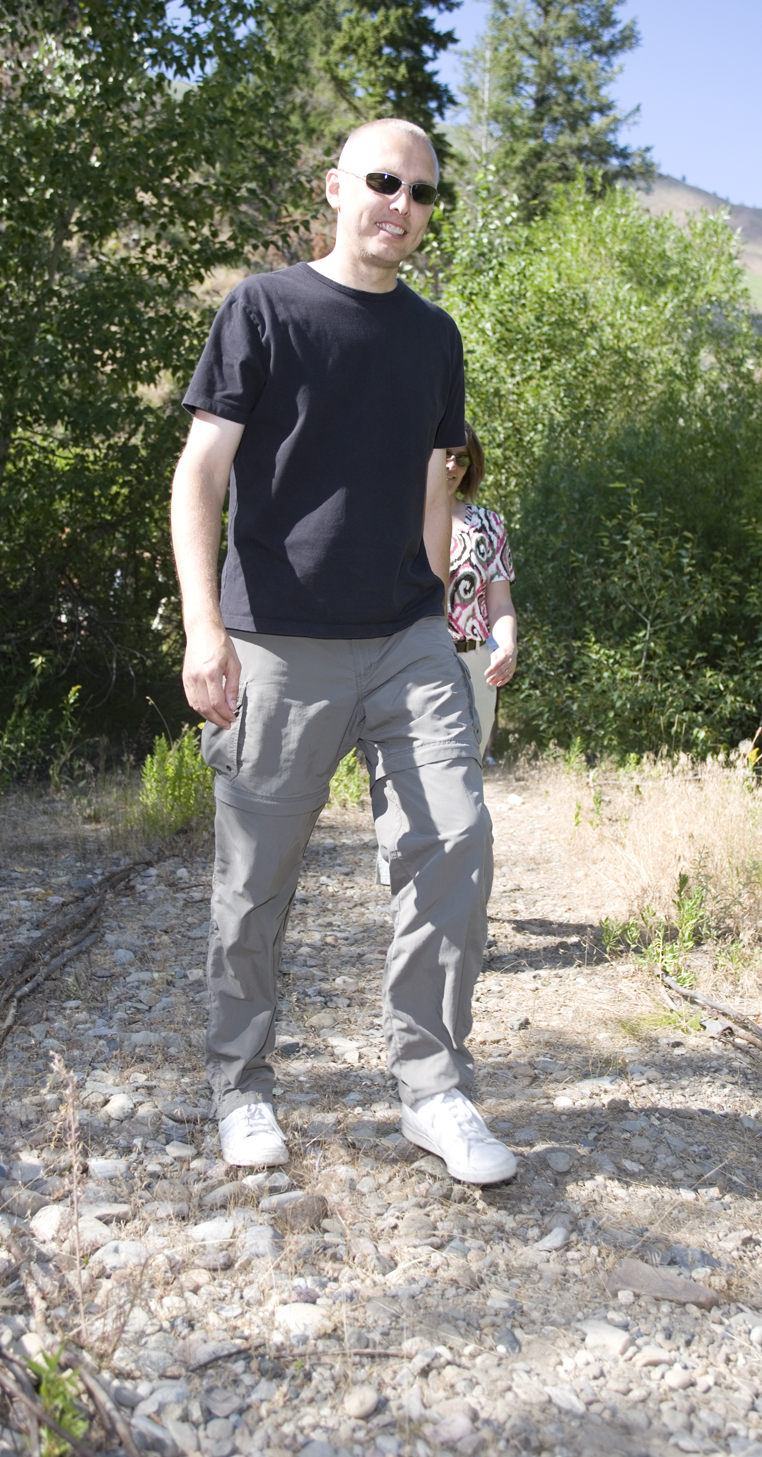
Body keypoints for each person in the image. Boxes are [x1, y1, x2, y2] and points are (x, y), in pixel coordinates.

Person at [170, 117, 516, 1186]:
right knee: (255, 882)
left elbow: (433, 489)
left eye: (422, 193)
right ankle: (242, 1087)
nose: (401, 207)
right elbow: (200, 473)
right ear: (335, 187)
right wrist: (204, 628)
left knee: (454, 838)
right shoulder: (263, 309)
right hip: (277, 641)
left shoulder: (434, 337)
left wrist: (448, 616)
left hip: (407, 637)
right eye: (383, 182)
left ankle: (433, 1089)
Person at [446, 424, 517, 760]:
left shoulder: (488, 525)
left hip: (477, 665)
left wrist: (507, 647)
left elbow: (501, 605)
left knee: (467, 771)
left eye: (461, 459)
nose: (452, 465)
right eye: (444, 454)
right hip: (414, 662)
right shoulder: (401, 520)